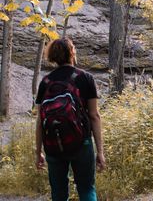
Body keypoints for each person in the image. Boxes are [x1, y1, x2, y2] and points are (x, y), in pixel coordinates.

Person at [35, 37, 106, 201]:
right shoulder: (85, 78)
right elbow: (94, 116)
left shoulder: (45, 82)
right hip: (82, 143)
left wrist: (38, 152)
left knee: (58, 193)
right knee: (86, 188)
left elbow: (40, 121)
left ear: (52, 56)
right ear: (72, 52)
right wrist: (100, 152)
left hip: (53, 145)